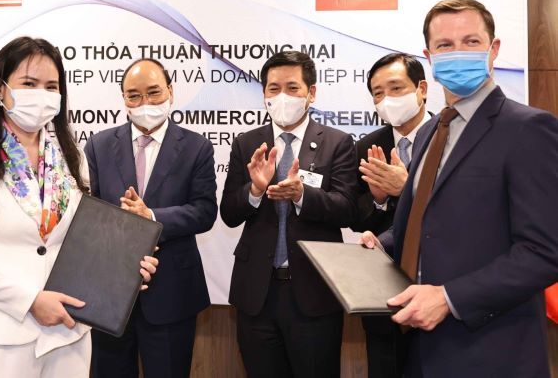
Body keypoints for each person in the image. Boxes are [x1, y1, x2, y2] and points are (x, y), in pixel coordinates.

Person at [0, 37, 157, 378]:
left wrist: (126, 270)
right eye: (29, 83)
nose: (41, 94)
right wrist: (30, 301)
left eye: (51, 86)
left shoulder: (72, 159)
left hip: (68, 333)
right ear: (0, 89)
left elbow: (81, 245)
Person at [361, 0, 558, 377]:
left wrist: (449, 299)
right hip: (418, 347)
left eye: (471, 42)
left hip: (490, 351)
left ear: (493, 49)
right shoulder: (431, 132)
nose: (458, 53)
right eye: (445, 45)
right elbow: (430, 221)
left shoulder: (529, 129)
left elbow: (545, 251)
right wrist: (382, 245)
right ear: (429, 57)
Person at [220, 51, 358, 377]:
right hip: (257, 293)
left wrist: (302, 195)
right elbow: (228, 213)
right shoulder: (246, 143)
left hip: (313, 294)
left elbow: (347, 209)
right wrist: (254, 191)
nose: (283, 96)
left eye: (292, 88)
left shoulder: (337, 142)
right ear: (264, 94)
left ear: (312, 93)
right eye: (274, 88)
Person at [85, 58, 217, 378]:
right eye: (134, 95)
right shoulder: (99, 145)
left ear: (171, 91)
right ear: (123, 99)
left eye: (154, 92)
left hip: (171, 292)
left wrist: (151, 216)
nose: (145, 102)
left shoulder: (197, 147)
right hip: (110, 293)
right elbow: (87, 212)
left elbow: (204, 211)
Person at [351, 52, 430, 378]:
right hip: (384, 293)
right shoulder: (368, 146)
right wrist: (379, 199)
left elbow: (462, 211)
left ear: (421, 89)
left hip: (439, 288)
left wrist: (406, 188)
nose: (387, 100)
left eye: (396, 88)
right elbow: (356, 219)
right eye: (378, 93)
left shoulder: (449, 137)